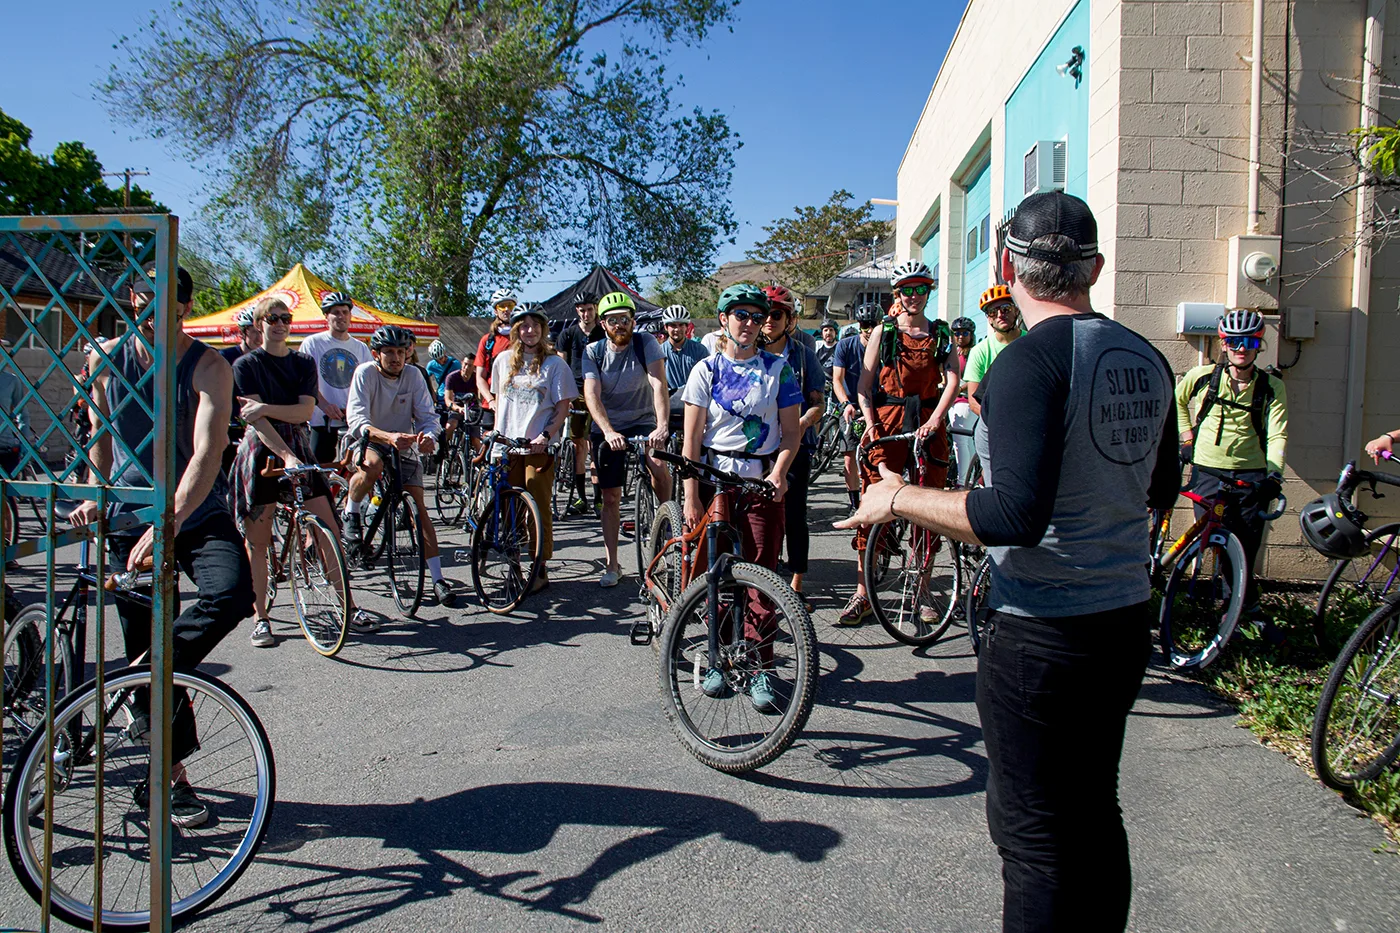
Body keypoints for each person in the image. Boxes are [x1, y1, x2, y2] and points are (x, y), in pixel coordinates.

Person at [837, 191, 1179, 933]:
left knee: (1033, 840)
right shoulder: (1147, 357)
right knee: (1093, 810)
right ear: (1096, 265)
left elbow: (1011, 517)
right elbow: (1162, 487)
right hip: (1121, 620)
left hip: (1042, 636)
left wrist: (897, 498)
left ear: (1006, 266)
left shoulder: (1028, 363)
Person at [70, 264, 254, 829]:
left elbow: (207, 452)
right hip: (130, 516)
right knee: (145, 629)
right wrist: (96, 493)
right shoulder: (107, 360)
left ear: (185, 305)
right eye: (146, 297)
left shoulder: (209, 367)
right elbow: (101, 437)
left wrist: (171, 517)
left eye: (169, 301)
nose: (155, 309)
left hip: (195, 511)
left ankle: (151, 670)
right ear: (133, 298)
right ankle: (170, 781)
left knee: (231, 592)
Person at [681, 283, 801, 712]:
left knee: (763, 574)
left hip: (761, 480)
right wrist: (691, 492)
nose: (749, 324)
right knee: (715, 574)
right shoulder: (705, 370)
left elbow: (791, 433)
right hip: (715, 479)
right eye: (740, 315)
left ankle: (760, 666)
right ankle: (715, 658)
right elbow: (692, 439)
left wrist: (780, 474)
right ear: (724, 320)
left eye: (755, 316)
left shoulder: (779, 369)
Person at [230, 297, 371, 645]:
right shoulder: (246, 365)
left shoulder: (304, 362)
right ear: (259, 324)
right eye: (272, 318)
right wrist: (284, 452)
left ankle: (349, 605)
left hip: (300, 446)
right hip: (261, 452)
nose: (280, 324)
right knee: (258, 542)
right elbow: (256, 421)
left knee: (329, 532)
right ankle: (261, 618)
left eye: (285, 318)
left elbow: (305, 413)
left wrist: (267, 409)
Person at [838, 259, 960, 625]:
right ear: (898, 293)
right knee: (874, 503)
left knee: (929, 507)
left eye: (921, 288)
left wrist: (937, 419)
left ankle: (922, 590)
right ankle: (861, 592)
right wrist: (871, 426)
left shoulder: (940, 333)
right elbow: (863, 386)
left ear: (929, 291)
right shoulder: (884, 331)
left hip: (926, 423)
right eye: (907, 289)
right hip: (889, 421)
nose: (914, 296)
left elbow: (952, 380)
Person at [1175, 309, 1288, 619]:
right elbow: (1178, 401)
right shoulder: (1203, 377)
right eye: (1235, 341)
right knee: (1218, 536)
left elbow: (1277, 432)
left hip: (1251, 474)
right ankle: (1239, 604)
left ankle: (1238, 609)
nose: (1242, 348)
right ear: (1224, 344)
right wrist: (1186, 438)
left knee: (1246, 545)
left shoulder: (1271, 386)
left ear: (1259, 345)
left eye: (1249, 342)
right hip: (1208, 470)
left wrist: (1275, 474)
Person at [342, 324, 456, 608]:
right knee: (372, 465)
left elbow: (428, 417)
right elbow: (356, 422)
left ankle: (439, 579)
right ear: (375, 354)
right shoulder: (364, 374)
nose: (395, 357)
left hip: (404, 443)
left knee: (418, 507)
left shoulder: (414, 375)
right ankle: (351, 511)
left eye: (401, 352)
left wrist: (430, 438)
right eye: (388, 352)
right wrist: (387, 436)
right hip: (372, 438)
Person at [581, 291, 671, 587]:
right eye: (613, 320)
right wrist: (607, 431)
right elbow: (592, 395)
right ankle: (612, 564)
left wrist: (661, 426)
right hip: (610, 426)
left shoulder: (645, 343)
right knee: (610, 497)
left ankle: (667, 519)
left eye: (625, 319)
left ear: (633, 320)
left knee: (658, 463)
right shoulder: (593, 351)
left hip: (644, 419)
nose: (620, 324)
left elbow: (658, 383)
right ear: (603, 324)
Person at [490, 304, 577, 590]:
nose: (530, 331)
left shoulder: (555, 365)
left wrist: (546, 436)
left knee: (538, 507)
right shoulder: (502, 361)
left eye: (535, 326)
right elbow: (500, 403)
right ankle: (513, 564)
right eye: (524, 326)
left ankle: (539, 565)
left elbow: (563, 407)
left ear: (543, 329)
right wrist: (496, 436)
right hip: (507, 447)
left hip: (539, 448)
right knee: (509, 509)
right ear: (516, 330)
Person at [759, 285, 824, 605]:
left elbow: (818, 403)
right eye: (764, 314)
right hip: (755, 446)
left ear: (790, 320)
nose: (769, 321)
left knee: (794, 513)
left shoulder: (804, 356)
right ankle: (760, 580)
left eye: (776, 315)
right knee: (759, 513)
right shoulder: (747, 352)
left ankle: (796, 584)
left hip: (796, 446)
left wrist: (798, 425)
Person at [300, 291, 373, 465]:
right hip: (321, 421)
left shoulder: (361, 348)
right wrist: (324, 404)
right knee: (318, 472)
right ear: (326, 316)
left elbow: (370, 383)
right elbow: (303, 381)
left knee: (359, 469)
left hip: (352, 421)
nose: (341, 316)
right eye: (336, 312)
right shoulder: (312, 343)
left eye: (345, 312)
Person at [556, 290, 606, 514]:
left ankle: (598, 498)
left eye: (589, 309)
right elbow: (560, 366)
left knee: (596, 446)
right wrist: (562, 397)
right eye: (581, 310)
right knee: (579, 447)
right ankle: (581, 498)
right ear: (577, 311)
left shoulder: (602, 331)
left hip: (598, 389)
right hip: (575, 391)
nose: (586, 313)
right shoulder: (568, 334)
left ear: (595, 309)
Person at [831, 303, 882, 516]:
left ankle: (877, 498)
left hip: (878, 404)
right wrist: (845, 404)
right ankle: (854, 502)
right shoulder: (845, 345)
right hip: (850, 405)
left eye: (873, 325)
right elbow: (837, 379)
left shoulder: (886, 345)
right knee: (850, 456)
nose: (869, 330)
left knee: (880, 455)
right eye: (864, 325)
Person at [965, 285, 1026, 417]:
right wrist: (995, 421)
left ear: (1016, 310)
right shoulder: (979, 351)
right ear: (988, 318)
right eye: (993, 312)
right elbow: (973, 401)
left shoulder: (1032, 340)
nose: (1000, 315)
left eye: (1006, 309)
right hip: (994, 418)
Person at [475, 287, 518, 439]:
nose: (506, 310)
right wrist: (491, 400)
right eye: (502, 306)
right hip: (491, 405)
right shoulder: (488, 340)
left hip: (516, 402)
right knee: (488, 448)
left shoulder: (522, 338)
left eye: (510, 306)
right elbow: (480, 377)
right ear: (495, 310)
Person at [659, 304, 707, 431]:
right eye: (673, 325)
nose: (677, 329)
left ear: (687, 326)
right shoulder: (658, 352)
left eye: (681, 325)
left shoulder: (699, 350)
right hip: (669, 409)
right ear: (666, 327)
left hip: (695, 406)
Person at [441, 354, 477, 455]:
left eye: (470, 366)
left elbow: (480, 399)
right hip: (456, 408)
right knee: (450, 426)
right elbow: (448, 400)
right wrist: (458, 408)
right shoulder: (452, 377)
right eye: (465, 364)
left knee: (476, 438)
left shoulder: (476, 379)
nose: (466, 368)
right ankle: (444, 449)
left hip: (471, 410)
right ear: (461, 363)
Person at [424, 338, 459, 405]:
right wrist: (432, 392)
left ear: (444, 354)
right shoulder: (431, 365)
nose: (440, 361)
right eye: (436, 360)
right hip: (441, 397)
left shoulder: (455, 364)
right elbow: (425, 378)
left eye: (441, 358)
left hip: (454, 396)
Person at [816, 318, 840, 386]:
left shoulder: (840, 347)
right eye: (825, 330)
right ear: (822, 333)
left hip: (835, 385)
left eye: (831, 330)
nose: (828, 333)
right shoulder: (817, 346)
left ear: (836, 333)